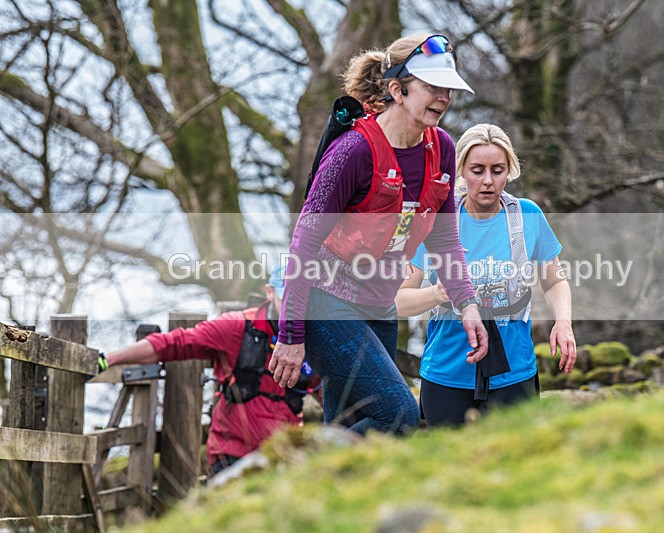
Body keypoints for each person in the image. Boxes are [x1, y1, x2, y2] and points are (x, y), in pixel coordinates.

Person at [268, 34, 488, 435]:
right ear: (396, 90)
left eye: (449, 89)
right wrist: (290, 335)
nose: (444, 97)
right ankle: (295, 473)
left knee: (349, 426)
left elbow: (445, 242)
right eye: (433, 87)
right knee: (398, 413)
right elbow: (303, 244)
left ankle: (321, 490)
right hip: (326, 304)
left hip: (380, 309)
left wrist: (467, 305)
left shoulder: (443, 149)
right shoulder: (353, 151)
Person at [395, 123, 577, 428]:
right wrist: (437, 294)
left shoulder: (527, 216)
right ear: (462, 172)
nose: (488, 181)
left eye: (498, 170)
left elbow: (555, 281)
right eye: (478, 170)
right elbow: (398, 300)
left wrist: (564, 322)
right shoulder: (436, 221)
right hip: (447, 373)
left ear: (510, 171)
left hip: (513, 372)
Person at [102, 265, 315, 476]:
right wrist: (110, 359)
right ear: (270, 292)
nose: (293, 311)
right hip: (233, 459)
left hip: (286, 460)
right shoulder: (236, 327)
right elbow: (173, 343)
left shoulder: (315, 340)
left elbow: (332, 389)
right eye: (286, 298)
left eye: (301, 302)